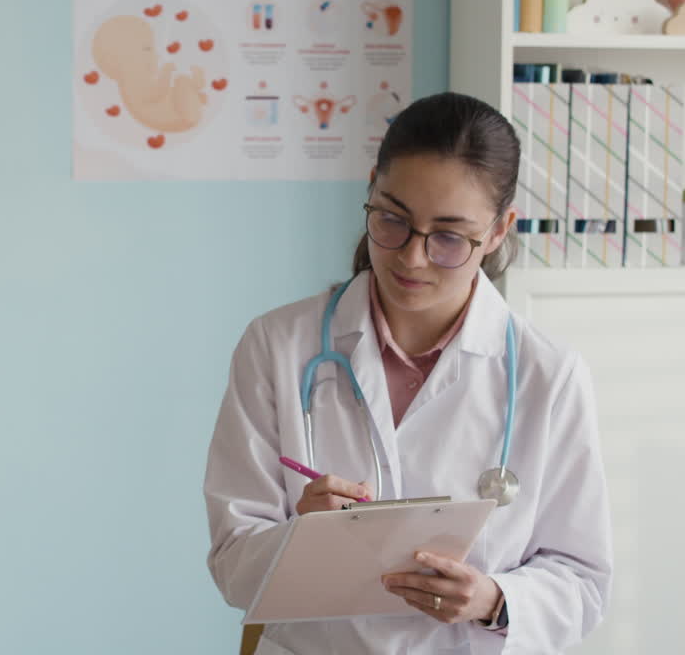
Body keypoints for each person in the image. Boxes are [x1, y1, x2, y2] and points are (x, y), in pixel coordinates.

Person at [204, 92, 612, 654]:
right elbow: (232, 561)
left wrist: (494, 599)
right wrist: (305, 542)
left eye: (448, 236)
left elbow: (584, 581)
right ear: (371, 189)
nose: (411, 257)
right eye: (392, 219)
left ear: (497, 231)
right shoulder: (278, 346)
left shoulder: (549, 375)